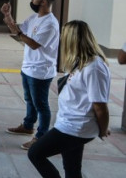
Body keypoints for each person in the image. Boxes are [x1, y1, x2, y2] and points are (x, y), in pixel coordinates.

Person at [28, 20, 110, 177]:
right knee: (72, 169)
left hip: (75, 127)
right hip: (70, 123)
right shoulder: (81, 60)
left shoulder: (94, 68)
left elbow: (100, 106)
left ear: (72, 39)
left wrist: (103, 129)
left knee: (35, 153)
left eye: (63, 36)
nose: (61, 39)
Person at [1, 0, 60, 150]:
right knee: (29, 99)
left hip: (41, 70)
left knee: (41, 104)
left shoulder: (50, 24)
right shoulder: (34, 17)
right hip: (28, 67)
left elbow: (33, 44)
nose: (32, 0)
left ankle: (41, 137)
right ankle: (28, 125)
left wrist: (19, 35)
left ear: (44, 1)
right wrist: (8, 16)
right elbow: (17, 30)